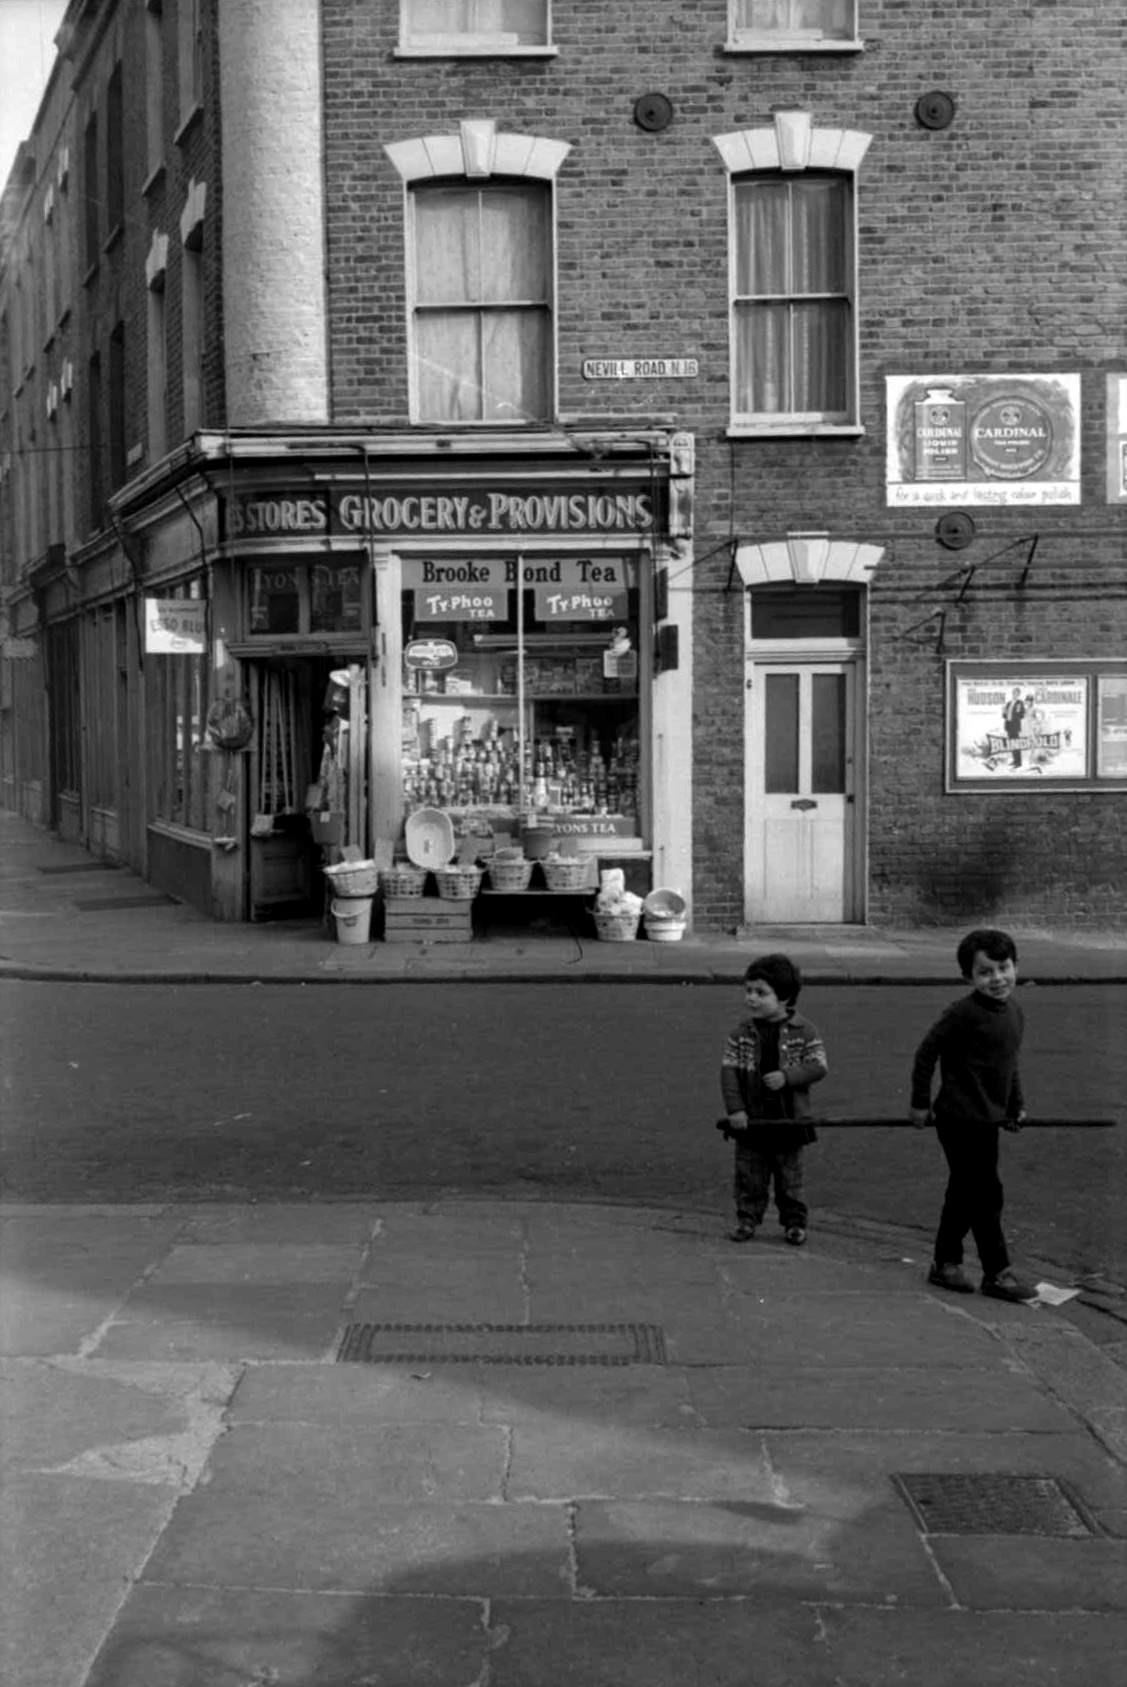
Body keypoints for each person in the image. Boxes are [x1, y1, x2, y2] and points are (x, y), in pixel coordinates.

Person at [909, 927, 1037, 1303]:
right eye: (985, 972)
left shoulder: (1014, 1012)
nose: (997, 978)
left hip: (988, 1119)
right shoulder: (962, 1013)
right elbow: (925, 1054)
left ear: (1015, 967)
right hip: (959, 1119)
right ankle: (997, 1272)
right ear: (969, 977)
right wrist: (919, 1103)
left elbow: (1008, 1065)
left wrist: (1014, 1106)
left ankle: (944, 1263)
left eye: (1004, 967)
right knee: (985, 1194)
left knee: (965, 1192)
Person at [720, 954, 828, 1245]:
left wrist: (788, 1076)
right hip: (752, 1120)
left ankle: (794, 1222)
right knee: (749, 1175)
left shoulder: (804, 1031)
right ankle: (747, 1219)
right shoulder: (741, 1033)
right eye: (749, 991)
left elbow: (819, 1065)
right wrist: (736, 1110)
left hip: (788, 1120)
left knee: (789, 1177)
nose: (751, 998)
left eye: (761, 993)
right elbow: (729, 1073)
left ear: (784, 997)